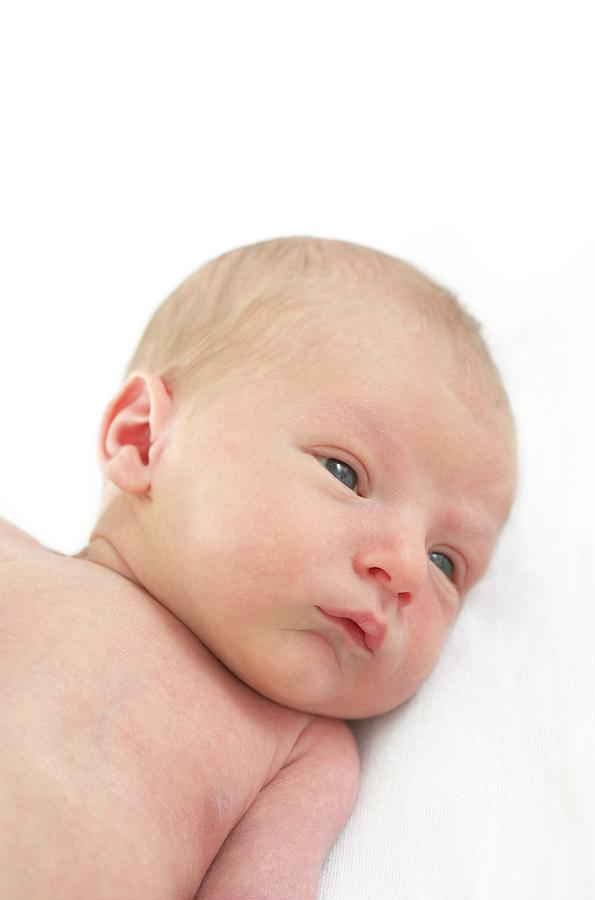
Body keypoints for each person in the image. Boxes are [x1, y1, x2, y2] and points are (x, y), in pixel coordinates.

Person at [0, 236, 517, 898]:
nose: (408, 570)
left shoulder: (302, 752)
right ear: (142, 438)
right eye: (344, 473)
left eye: (447, 562)